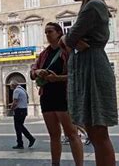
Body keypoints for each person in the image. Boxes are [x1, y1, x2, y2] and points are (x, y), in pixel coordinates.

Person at [59, 0, 117, 166]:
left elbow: (70, 38)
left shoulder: (93, 6)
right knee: (95, 133)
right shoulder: (92, 7)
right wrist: (71, 40)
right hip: (89, 67)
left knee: (99, 134)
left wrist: (66, 38)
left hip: (92, 69)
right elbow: (73, 39)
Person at [30, 22, 83, 166]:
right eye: (46, 32)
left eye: (50, 31)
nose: (47, 34)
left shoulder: (68, 51)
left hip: (63, 95)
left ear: (59, 32)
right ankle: (55, 164)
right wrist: (37, 72)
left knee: (71, 133)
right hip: (47, 96)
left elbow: (77, 74)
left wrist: (58, 78)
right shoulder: (43, 54)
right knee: (54, 135)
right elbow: (32, 71)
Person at [9, 80, 36, 149]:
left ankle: (28, 139)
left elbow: (15, 102)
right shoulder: (23, 89)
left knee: (18, 126)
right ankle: (21, 142)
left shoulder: (16, 91)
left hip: (19, 110)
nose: (10, 87)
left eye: (11, 85)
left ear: (13, 85)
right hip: (24, 110)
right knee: (19, 126)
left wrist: (11, 110)